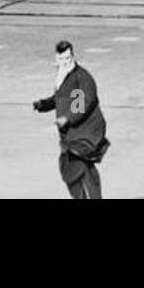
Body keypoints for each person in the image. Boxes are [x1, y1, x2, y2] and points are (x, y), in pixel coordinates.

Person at [32, 40, 110, 198]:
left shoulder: (80, 77)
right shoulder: (63, 74)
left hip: (86, 131)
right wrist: (44, 104)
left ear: (73, 56)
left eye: (68, 58)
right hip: (73, 131)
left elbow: (80, 106)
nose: (65, 62)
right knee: (75, 167)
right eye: (62, 59)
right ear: (56, 59)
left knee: (76, 166)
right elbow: (61, 98)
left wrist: (66, 119)